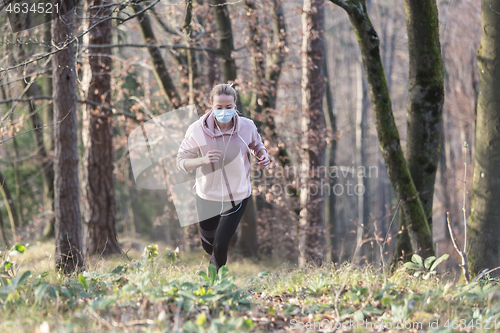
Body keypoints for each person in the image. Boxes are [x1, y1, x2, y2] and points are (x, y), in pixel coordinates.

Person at [176, 83, 270, 273]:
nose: (224, 112)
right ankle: (215, 276)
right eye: (219, 107)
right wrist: (202, 160)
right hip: (207, 196)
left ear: (235, 105)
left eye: (229, 107)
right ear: (211, 105)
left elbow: (257, 144)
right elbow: (181, 162)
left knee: (220, 245)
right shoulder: (197, 130)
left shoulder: (247, 126)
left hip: (237, 195)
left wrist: (263, 155)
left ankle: (212, 283)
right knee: (208, 247)